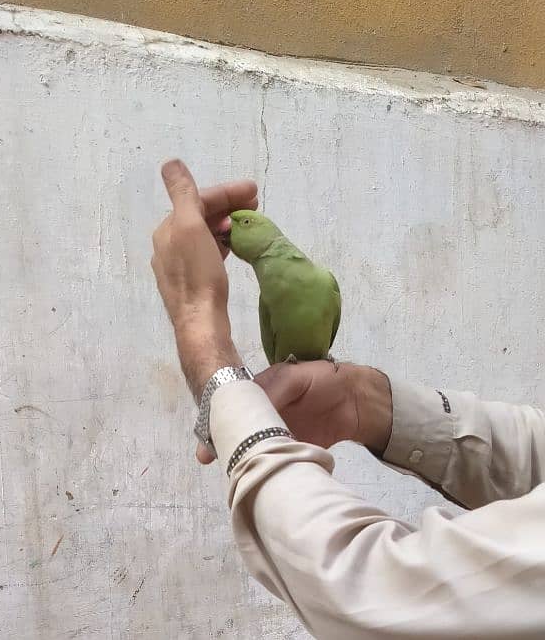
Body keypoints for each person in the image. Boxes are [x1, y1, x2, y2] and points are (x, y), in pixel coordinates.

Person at [151, 159, 545, 639]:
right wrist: (365, 401)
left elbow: (368, 594)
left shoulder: (322, 282)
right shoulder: (270, 291)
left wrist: (199, 328)